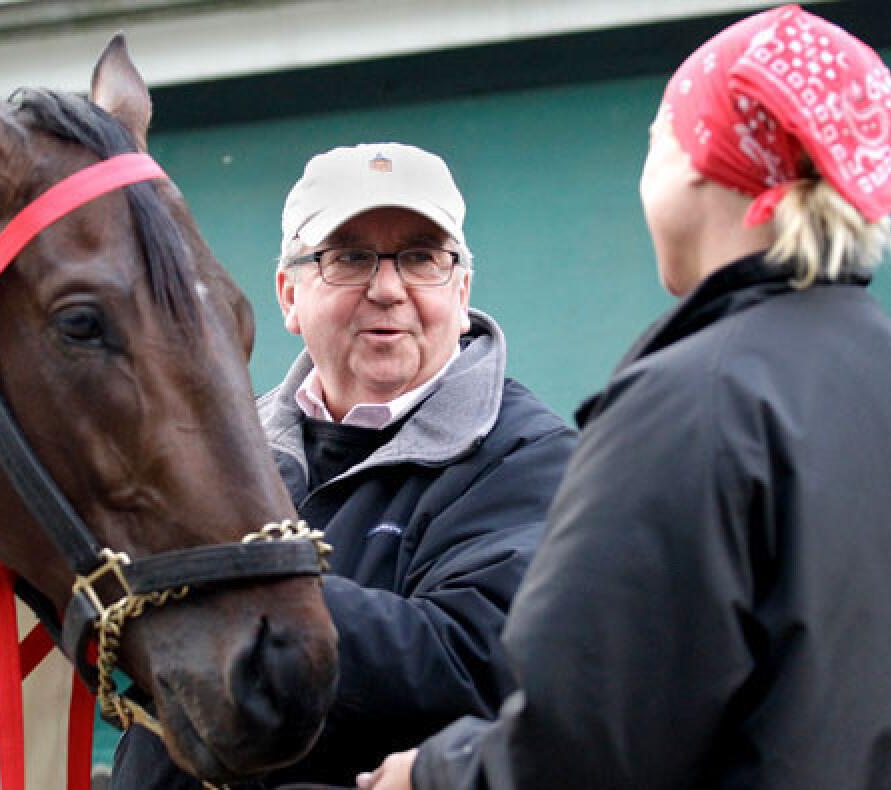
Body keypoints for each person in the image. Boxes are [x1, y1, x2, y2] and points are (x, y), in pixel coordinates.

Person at [360, 5, 891, 788]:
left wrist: (431, 776)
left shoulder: (696, 402)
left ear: (696, 161)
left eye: (657, 135)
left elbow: (587, 742)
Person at [110, 142, 577, 788]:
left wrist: (234, 575)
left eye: (420, 257)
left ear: (461, 288)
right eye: (350, 257)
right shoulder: (226, 448)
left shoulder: (528, 456)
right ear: (288, 296)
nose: (387, 289)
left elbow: (475, 664)